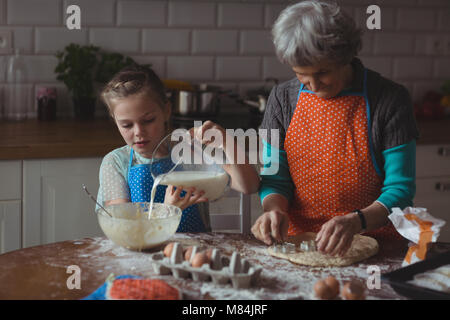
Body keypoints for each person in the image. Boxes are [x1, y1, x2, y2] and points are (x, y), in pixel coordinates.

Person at [251, 0, 418, 256]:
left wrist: (356, 222)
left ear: (346, 56)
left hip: (375, 244)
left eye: (323, 72)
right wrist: (273, 210)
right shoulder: (282, 98)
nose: (314, 85)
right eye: (301, 74)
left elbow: (400, 190)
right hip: (300, 245)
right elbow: (275, 177)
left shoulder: (389, 99)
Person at [97, 65, 259, 232]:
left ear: (166, 111)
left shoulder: (188, 150)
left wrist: (227, 141)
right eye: (127, 125)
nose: (138, 132)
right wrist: (166, 212)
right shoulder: (116, 162)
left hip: (197, 251)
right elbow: (121, 227)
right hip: (142, 255)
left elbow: (249, 186)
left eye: (148, 120)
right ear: (115, 120)